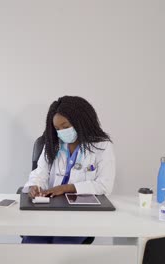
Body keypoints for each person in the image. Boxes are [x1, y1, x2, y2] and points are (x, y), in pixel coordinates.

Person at [22, 95, 115, 244]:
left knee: (62, 243)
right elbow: (40, 173)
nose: (61, 132)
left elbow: (105, 185)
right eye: (57, 129)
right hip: (50, 210)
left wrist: (67, 188)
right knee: (33, 239)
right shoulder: (53, 143)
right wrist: (35, 185)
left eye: (65, 126)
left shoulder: (102, 146)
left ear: (81, 121)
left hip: (80, 215)